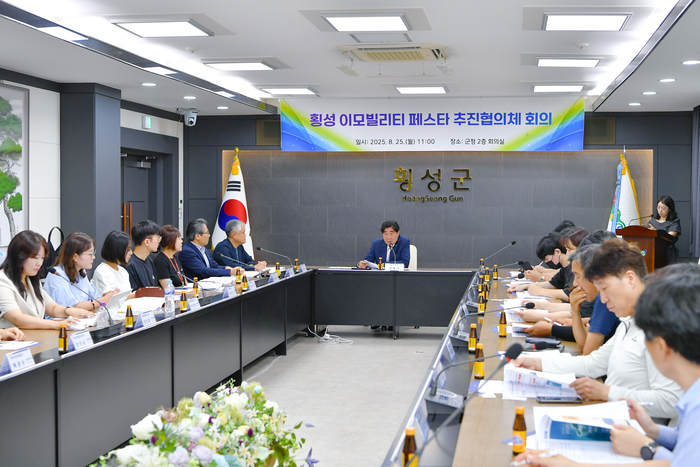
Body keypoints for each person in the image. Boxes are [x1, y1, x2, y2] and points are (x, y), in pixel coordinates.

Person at [512, 264, 700, 467]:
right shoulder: (692, 394)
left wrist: (648, 447)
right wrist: (653, 431)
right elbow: (684, 441)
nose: (602, 299)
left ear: (662, 347)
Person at [513, 239, 682, 420]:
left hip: (638, 431)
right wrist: (538, 364)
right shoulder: (629, 321)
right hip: (616, 419)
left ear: (630, 279)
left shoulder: (659, 326)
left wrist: (606, 392)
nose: (603, 299)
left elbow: (672, 402)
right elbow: (592, 363)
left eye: (605, 289)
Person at [0, 230, 93, 330]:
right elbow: (17, 318)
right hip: (14, 338)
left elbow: (52, 308)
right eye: (35, 258)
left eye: (42, 258)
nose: (39, 263)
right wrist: (56, 324)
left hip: (35, 336)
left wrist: (70, 311)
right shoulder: (3, 281)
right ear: (18, 256)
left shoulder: (30, 279)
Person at [43, 232, 117, 310]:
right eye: (90, 254)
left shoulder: (81, 272)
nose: (93, 257)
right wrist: (103, 300)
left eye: (93, 253)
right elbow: (70, 308)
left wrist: (109, 296)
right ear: (75, 256)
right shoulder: (57, 275)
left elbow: (94, 297)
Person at [92, 230, 135, 299]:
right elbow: (109, 299)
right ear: (118, 250)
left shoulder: (123, 271)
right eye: (128, 250)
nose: (131, 253)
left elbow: (127, 296)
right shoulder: (102, 271)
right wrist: (139, 294)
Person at [124, 220, 161, 290]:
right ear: (147, 242)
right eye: (157, 238)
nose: (159, 241)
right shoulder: (129, 264)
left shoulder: (149, 261)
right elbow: (132, 292)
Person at [646, 195, 681, 263]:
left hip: (667, 253)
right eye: (658, 207)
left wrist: (655, 231)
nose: (660, 210)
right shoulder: (652, 221)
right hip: (652, 252)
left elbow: (670, 237)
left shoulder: (674, 222)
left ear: (669, 209)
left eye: (663, 208)